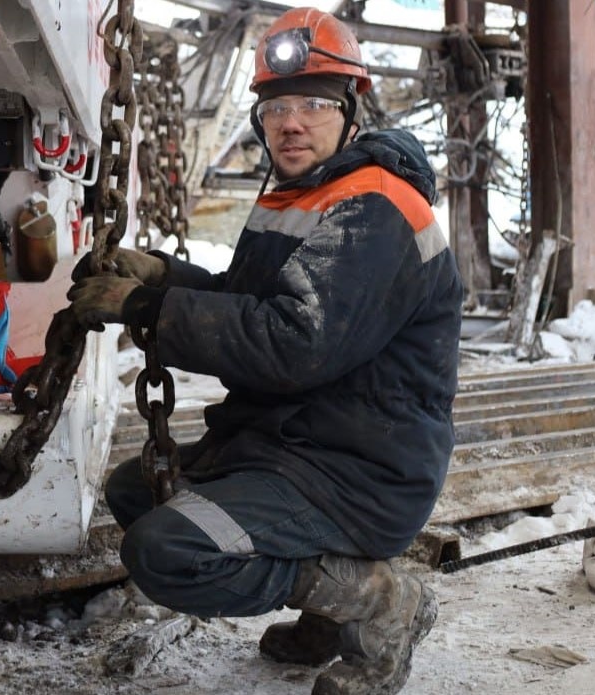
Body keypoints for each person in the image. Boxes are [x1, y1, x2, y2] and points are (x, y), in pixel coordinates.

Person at [67, 7, 463, 695]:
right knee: (138, 490)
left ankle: (377, 599)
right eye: (277, 107)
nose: (291, 123)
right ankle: (329, 607)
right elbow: (249, 297)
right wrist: (162, 277)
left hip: (356, 470)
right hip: (289, 443)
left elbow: (294, 341)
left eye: (313, 105)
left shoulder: (376, 207)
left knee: (167, 549)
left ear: (352, 109)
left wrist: (148, 310)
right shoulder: (302, 192)